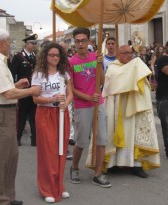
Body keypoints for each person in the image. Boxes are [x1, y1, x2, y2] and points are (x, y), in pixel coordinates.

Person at [100, 45, 160, 178]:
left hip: (134, 107)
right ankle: (113, 163)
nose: (129, 55)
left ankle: (136, 165)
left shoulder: (136, 66)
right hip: (117, 107)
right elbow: (110, 86)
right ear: (119, 54)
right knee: (113, 134)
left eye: (130, 53)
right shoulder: (113, 68)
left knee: (134, 136)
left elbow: (144, 85)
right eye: (125, 53)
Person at [0, 29, 40, 205]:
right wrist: (31, 90)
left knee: (11, 157)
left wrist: (18, 85)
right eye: (9, 42)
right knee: (3, 159)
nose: (10, 45)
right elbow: (7, 94)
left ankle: (8, 196)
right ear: (2, 43)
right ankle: (3, 198)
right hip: (4, 112)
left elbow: (6, 89)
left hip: (8, 109)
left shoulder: (3, 62)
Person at [31, 42, 73, 203]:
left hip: (61, 113)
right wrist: (52, 99)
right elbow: (35, 99)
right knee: (47, 152)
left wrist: (66, 103)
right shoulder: (38, 74)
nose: (55, 58)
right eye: (51, 55)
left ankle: (59, 187)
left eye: (57, 55)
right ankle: (47, 188)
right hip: (44, 113)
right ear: (45, 56)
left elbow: (70, 94)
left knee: (60, 151)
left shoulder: (64, 73)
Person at [69, 27, 111, 188]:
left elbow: (101, 82)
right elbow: (70, 88)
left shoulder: (96, 58)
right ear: (74, 42)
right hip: (82, 106)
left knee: (101, 140)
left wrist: (99, 64)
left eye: (83, 41)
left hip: (98, 104)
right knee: (81, 141)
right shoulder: (71, 62)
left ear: (88, 42)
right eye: (77, 41)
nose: (80, 44)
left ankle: (98, 174)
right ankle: (74, 168)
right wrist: (87, 97)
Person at [10, 33, 38, 146]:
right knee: (21, 115)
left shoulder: (35, 57)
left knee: (34, 116)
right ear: (26, 44)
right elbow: (12, 74)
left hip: (34, 89)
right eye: (32, 43)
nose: (34, 45)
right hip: (23, 90)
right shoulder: (18, 57)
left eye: (35, 43)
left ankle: (34, 139)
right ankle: (17, 138)